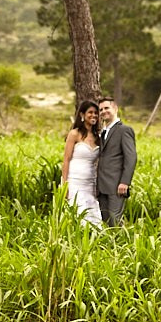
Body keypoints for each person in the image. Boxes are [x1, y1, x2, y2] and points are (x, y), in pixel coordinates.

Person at [94, 96, 136, 225]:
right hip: (101, 186)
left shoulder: (124, 130)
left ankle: (121, 244)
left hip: (116, 185)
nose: (103, 112)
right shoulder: (102, 132)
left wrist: (125, 182)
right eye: (101, 110)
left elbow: (131, 157)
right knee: (105, 222)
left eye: (107, 108)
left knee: (114, 221)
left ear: (115, 108)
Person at [59, 100, 102, 224]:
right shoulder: (74, 134)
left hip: (90, 182)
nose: (93, 115)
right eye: (90, 112)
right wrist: (65, 185)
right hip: (74, 181)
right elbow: (66, 160)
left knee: (93, 217)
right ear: (82, 115)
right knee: (76, 215)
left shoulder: (98, 137)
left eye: (96, 113)